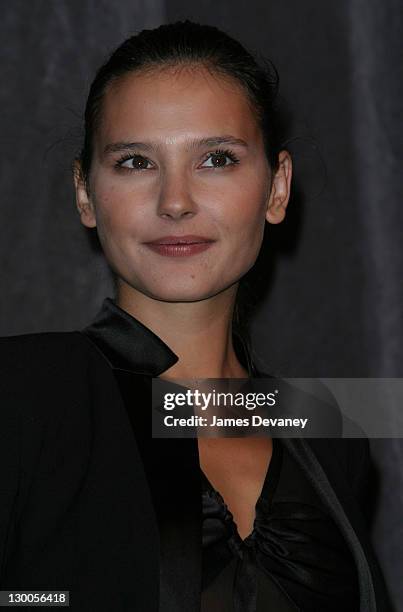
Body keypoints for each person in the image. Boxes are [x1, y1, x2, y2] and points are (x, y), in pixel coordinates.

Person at [0, 20, 392, 612]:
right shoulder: (23, 394)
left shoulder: (329, 431)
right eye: (135, 162)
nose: (176, 201)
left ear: (277, 188)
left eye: (216, 158)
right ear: (86, 193)